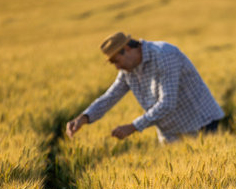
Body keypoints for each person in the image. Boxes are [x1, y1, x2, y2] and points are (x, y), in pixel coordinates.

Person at [66, 32, 224, 143]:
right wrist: (84, 117)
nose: (116, 67)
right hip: (169, 134)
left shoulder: (164, 55)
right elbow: (110, 97)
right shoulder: (128, 70)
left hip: (200, 124)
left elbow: (167, 102)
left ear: (127, 49)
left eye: (116, 61)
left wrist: (133, 127)